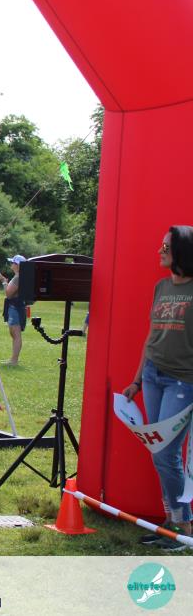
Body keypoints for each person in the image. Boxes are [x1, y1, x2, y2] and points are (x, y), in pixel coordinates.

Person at [122, 225, 193, 550]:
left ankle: (183, 526)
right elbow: (151, 336)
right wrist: (137, 380)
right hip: (152, 376)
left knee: (166, 453)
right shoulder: (161, 287)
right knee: (159, 452)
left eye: (166, 246)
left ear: (182, 251)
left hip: (183, 380)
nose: (160, 251)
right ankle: (170, 522)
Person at [0, 255, 27, 365]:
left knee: (16, 333)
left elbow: (8, 294)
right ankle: (13, 359)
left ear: (18, 265)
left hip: (15, 306)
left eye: (13, 263)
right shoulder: (19, 276)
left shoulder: (18, 277)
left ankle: (14, 360)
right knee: (14, 333)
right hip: (16, 306)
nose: (11, 264)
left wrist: (3, 282)